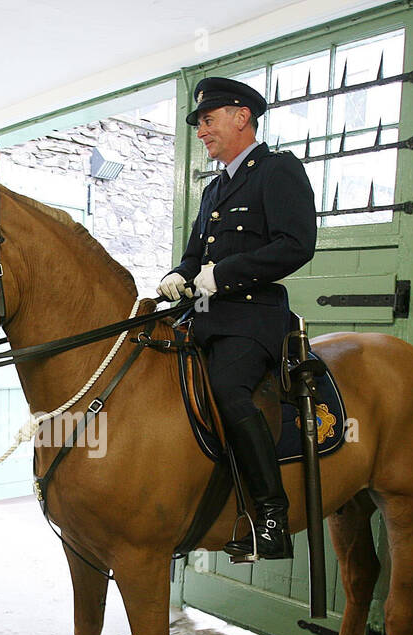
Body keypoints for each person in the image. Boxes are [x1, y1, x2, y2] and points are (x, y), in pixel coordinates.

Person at [157, 76, 317, 560]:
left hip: (253, 320)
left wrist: (222, 275)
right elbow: (194, 255)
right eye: (200, 123)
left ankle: (271, 514)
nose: (201, 131)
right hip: (203, 317)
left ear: (241, 116)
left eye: (207, 120)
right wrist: (177, 276)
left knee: (227, 390)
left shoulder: (278, 171)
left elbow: (296, 245)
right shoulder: (213, 189)